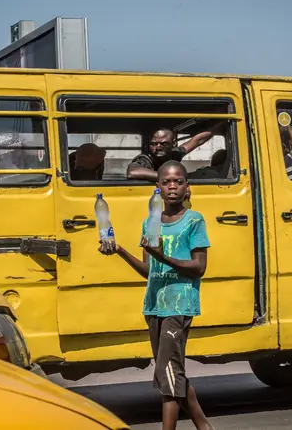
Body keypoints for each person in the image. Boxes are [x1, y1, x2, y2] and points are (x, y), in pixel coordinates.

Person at [99, 160, 214, 430]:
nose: (172, 186)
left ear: (187, 187)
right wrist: (120, 251)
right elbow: (148, 270)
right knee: (171, 372)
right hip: (154, 305)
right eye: (166, 182)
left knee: (168, 373)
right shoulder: (150, 222)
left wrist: (163, 255)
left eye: (178, 181)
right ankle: (204, 426)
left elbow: (199, 268)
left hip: (179, 304)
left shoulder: (194, 221)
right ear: (157, 188)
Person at [126, 125, 221, 182]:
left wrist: (220, 125)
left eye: (164, 144)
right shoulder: (146, 158)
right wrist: (170, 176)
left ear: (173, 143)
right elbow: (132, 172)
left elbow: (197, 140)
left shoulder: (174, 153)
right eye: (154, 144)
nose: (158, 147)